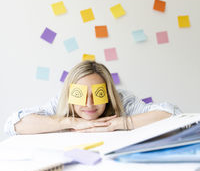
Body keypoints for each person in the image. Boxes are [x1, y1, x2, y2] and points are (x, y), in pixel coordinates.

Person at [4, 61, 182, 136]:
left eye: (97, 95)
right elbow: (14, 124)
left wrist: (115, 124)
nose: (88, 104)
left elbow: (171, 113)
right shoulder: (61, 102)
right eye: (80, 95)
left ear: (109, 94)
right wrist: (71, 123)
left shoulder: (122, 100)